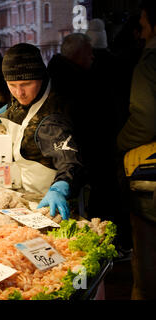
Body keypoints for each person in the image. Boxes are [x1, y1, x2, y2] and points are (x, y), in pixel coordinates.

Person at [0, 43, 83, 221]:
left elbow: (70, 162)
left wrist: (59, 189)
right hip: (25, 198)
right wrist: (6, 112)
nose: (19, 93)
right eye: (12, 85)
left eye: (26, 84)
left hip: (50, 206)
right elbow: (20, 105)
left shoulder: (53, 120)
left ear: (41, 77)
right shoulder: (30, 94)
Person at [116, 0, 156, 300]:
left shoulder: (150, 62)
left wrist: (119, 144)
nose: (140, 34)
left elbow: (145, 119)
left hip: (151, 180)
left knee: (147, 276)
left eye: (142, 26)